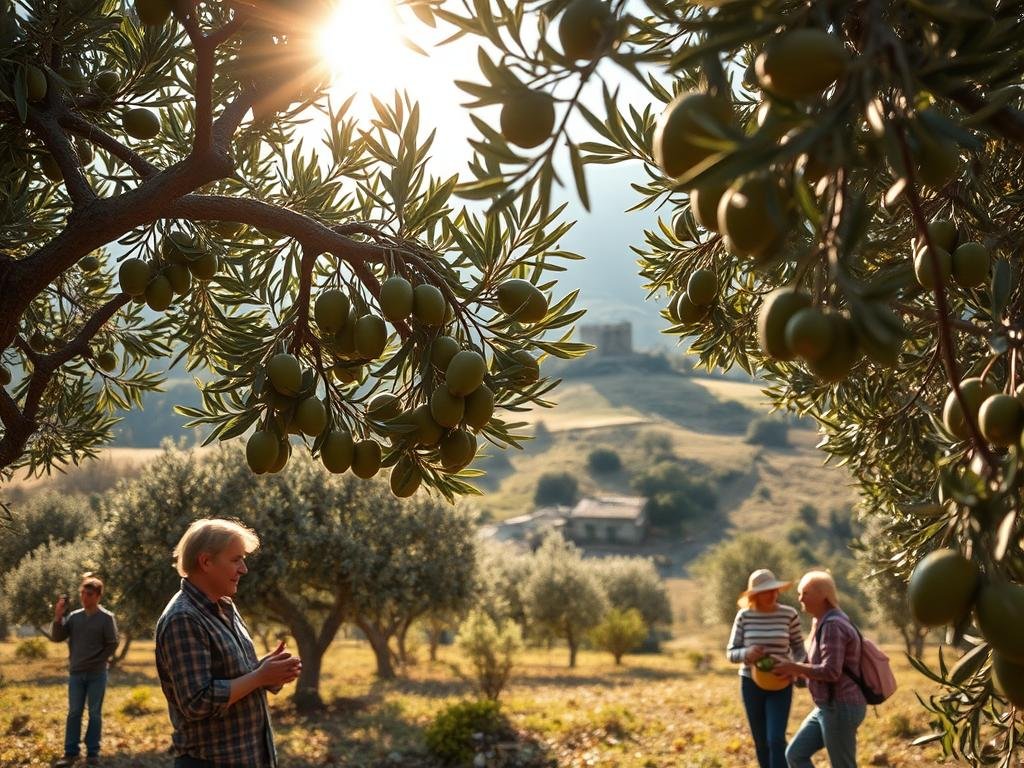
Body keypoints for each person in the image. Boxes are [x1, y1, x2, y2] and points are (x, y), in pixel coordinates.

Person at [155, 518, 301, 768]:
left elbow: (228, 676)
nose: (243, 569)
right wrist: (258, 677)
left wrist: (266, 671)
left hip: (247, 756)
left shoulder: (224, 606)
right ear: (206, 562)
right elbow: (196, 702)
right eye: (235, 559)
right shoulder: (184, 618)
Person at [773, 570, 867, 768]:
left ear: (822, 595)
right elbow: (814, 667)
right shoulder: (820, 622)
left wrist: (794, 667)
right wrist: (793, 673)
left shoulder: (833, 625)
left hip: (841, 706)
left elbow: (830, 672)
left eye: (805, 593)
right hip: (827, 706)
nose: (800, 599)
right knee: (796, 755)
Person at [726, 568, 807, 768]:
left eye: (774, 590)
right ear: (754, 595)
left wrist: (796, 669)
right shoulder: (744, 616)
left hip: (782, 683)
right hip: (750, 684)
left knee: (776, 739)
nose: (773, 594)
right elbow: (731, 653)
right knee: (761, 742)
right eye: (766, 591)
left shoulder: (789, 615)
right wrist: (747, 653)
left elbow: (799, 649)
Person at [51, 575, 119, 767]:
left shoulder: (107, 618)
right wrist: (58, 615)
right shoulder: (74, 617)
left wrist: (98, 660)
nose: (84, 597)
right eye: (82, 593)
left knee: (95, 713)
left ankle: (92, 753)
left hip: (97, 674)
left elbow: (112, 643)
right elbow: (57, 637)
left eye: (88, 594)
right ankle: (70, 753)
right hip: (76, 673)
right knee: (74, 712)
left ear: (98, 596)